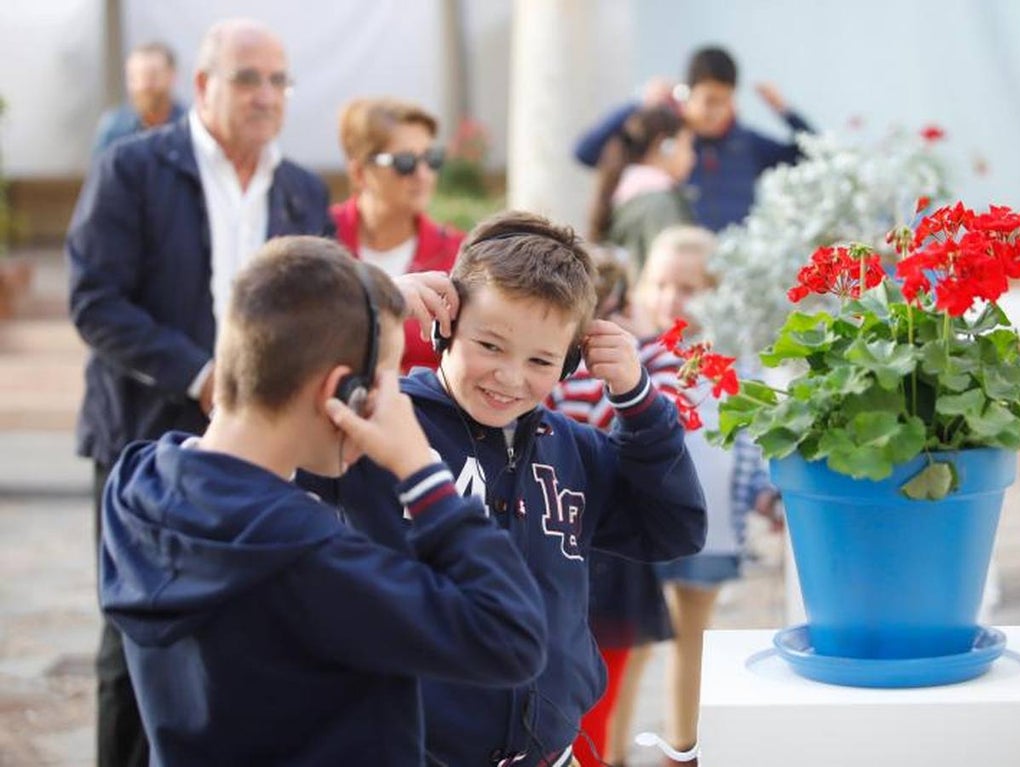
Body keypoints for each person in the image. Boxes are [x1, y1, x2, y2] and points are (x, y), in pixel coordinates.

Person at [99, 236, 547, 766]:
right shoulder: (310, 562)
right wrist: (423, 472)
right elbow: (512, 636)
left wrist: (355, 313)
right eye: (388, 381)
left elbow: (287, 323)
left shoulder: (136, 486)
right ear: (342, 392)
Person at [302, 211, 707, 767]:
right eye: (489, 345)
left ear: (569, 363)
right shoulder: (381, 419)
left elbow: (676, 529)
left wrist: (640, 406)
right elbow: (269, 418)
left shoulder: (575, 450)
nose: (510, 377)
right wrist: (368, 318)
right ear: (445, 325)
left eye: (541, 360)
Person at [67, 19, 332, 767]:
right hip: (146, 439)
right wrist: (204, 373)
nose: (267, 95)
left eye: (279, 80)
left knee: (248, 634)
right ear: (204, 86)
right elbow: (95, 300)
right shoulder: (131, 169)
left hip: (265, 448)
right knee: (134, 636)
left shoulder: (301, 189)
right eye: (249, 78)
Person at [634, 226, 774, 766]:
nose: (672, 299)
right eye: (662, 284)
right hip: (640, 520)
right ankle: (609, 750)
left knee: (695, 633)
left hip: (710, 516)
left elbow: (754, 433)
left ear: (715, 291)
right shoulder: (633, 348)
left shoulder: (734, 356)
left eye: (688, 288)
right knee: (634, 637)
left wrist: (763, 495)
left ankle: (682, 748)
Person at [546, 248, 675, 767]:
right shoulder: (635, 362)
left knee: (574, 705)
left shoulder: (552, 366)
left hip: (560, 529)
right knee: (597, 705)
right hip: (607, 543)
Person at [574, 45, 814, 232]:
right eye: (709, 100)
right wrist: (639, 104)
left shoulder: (745, 142)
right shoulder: (665, 139)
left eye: (725, 101)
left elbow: (810, 157)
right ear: (688, 93)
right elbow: (586, 152)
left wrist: (785, 111)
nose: (717, 112)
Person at [332, 97, 465, 372]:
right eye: (405, 162)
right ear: (359, 172)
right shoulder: (315, 239)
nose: (423, 174)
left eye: (432, 159)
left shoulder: (460, 255)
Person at [587, 104, 696, 276]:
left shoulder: (628, 191)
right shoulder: (660, 203)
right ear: (665, 146)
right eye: (688, 146)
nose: (692, 158)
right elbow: (674, 272)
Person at [93, 41, 187, 155]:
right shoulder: (115, 128)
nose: (144, 86)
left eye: (153, 76)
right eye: (136, 77)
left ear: (172, 76)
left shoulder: (189, 127)